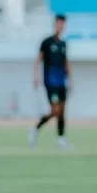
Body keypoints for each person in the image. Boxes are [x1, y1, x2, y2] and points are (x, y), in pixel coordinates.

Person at [29, 14, 72, 148]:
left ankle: (61, 139)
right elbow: (37, 60)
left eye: (63, 24)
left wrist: (70, 79)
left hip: (61, 81)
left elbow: (66, 63)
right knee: (55, 111)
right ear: (55, 24)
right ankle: (35, 129)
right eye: (59, 23)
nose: (61, 26)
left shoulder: (64, 44)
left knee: (62, 111)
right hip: (50, 81)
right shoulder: (46, 42)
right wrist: (35, 77)